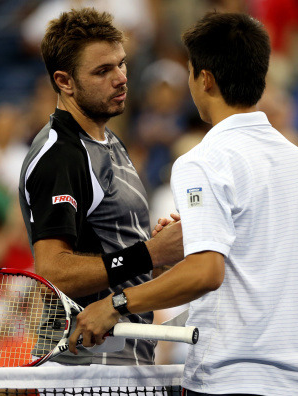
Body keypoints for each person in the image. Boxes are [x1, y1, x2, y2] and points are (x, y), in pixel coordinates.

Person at [69, 12, 298, 395]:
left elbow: (207, 274)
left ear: (204, 79)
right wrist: (194, 249)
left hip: (232, 384)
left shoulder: (201, 161)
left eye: (190, 71)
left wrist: (115, 304)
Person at [18, 8, 183, 367]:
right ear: (64, 81)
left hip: (128, 365)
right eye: (102, 71)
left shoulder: (108, 140)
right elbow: (53, 271)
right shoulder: (60, 155)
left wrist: (158, 258)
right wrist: (149, 253)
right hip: (86, 373)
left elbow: (115, 260)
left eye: (121, 64)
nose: (121, 78)